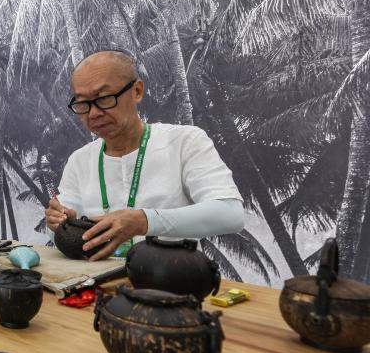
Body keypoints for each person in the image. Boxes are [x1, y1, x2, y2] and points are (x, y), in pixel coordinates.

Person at [46, 49, 244, 261]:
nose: (93, 113)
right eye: (82, 103)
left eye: (103, 98)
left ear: (137, 91)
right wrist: (57, 222)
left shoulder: (185, 142)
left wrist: (145, 221)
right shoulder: (80, 160)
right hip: (97, 278)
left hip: (171, 277)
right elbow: (60, 227)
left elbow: (230, 214)